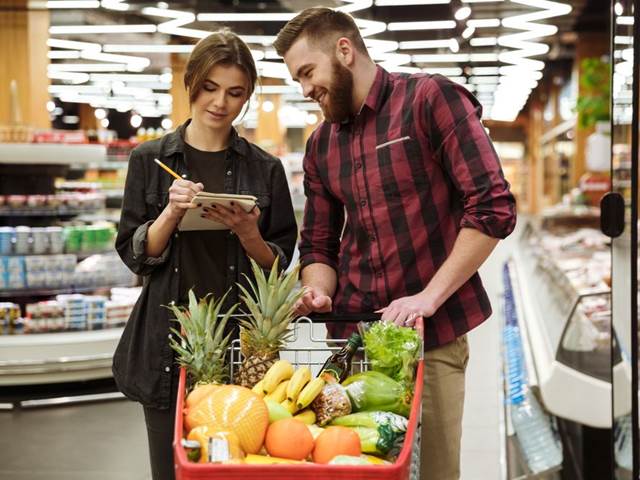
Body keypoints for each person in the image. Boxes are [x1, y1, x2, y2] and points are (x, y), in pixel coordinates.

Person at [274, 8, 516, 480]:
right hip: (356, 339)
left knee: (437, 470)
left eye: (308, 72)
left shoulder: (429, 100)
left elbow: (492, 207)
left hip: (435, 334)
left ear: (344, 50)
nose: (304, 90)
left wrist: (428, 297)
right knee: (361, 465)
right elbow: (319, 243)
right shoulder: (321, 144)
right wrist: (318, 288)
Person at [114, 29, 297, 480]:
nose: (220, 102)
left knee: (237, 466)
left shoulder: (265, 168)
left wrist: (249, 233)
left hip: (243, 345)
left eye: (236, 93)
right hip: (168, 344)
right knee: (170, 469)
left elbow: (280, 263)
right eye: (210, 87)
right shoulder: (149, 159)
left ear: (247, 97)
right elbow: (135, 254)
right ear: (192, 82)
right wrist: (170, 214)